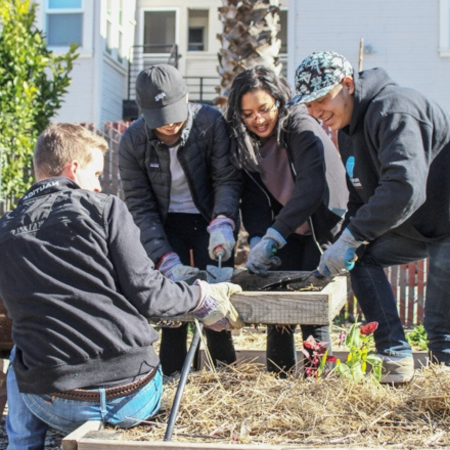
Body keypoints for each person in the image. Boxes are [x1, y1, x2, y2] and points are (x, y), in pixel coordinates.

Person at [0, 123, 244, 449]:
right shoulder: (105, 209)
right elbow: (148, 293)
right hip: (131, 396)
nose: (99, 186)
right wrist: (203, 296)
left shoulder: (5, 229)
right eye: (96, 173)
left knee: (21, 350)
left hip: (53, 402)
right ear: (73, 169)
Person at [291, 50, 450, 384]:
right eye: (309, 105)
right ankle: (395, 356)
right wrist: (342, 245)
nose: (316, 113)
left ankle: (441, 402)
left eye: (321, 100)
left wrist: (352, 237)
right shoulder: (349, 130)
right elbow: (359, 198)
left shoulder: (395, 110)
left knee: (440, 331)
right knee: (359, 258)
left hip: (447, 226)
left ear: (347, 84)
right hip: (418, 226)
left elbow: (404, 187)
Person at [118, 64, 242, 376]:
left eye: (175, 113)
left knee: (216, 295)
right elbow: (140, 207)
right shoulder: (132, 142)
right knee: (172, 304)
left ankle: (224, 374)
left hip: (208, 220)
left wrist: (223, 222)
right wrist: (163, 257)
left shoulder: (210, 122)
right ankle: (173, 377)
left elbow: (225, 179)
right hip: (165, 224)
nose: (170, 125)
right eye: (160, 119)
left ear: (186, 98)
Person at [225, 66, 348, 376]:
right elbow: (253, 200)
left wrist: (273, 236)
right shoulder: (245, 142)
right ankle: (278, 382)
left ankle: (317, 382)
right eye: (248, 113)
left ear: (278, 101)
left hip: (321, 227)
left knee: (311, 309)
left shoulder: (301, 126)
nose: (258, 119)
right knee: (277, 308)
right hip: (285, 231)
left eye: (264, 109)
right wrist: (257, 238)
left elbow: (310, 188)